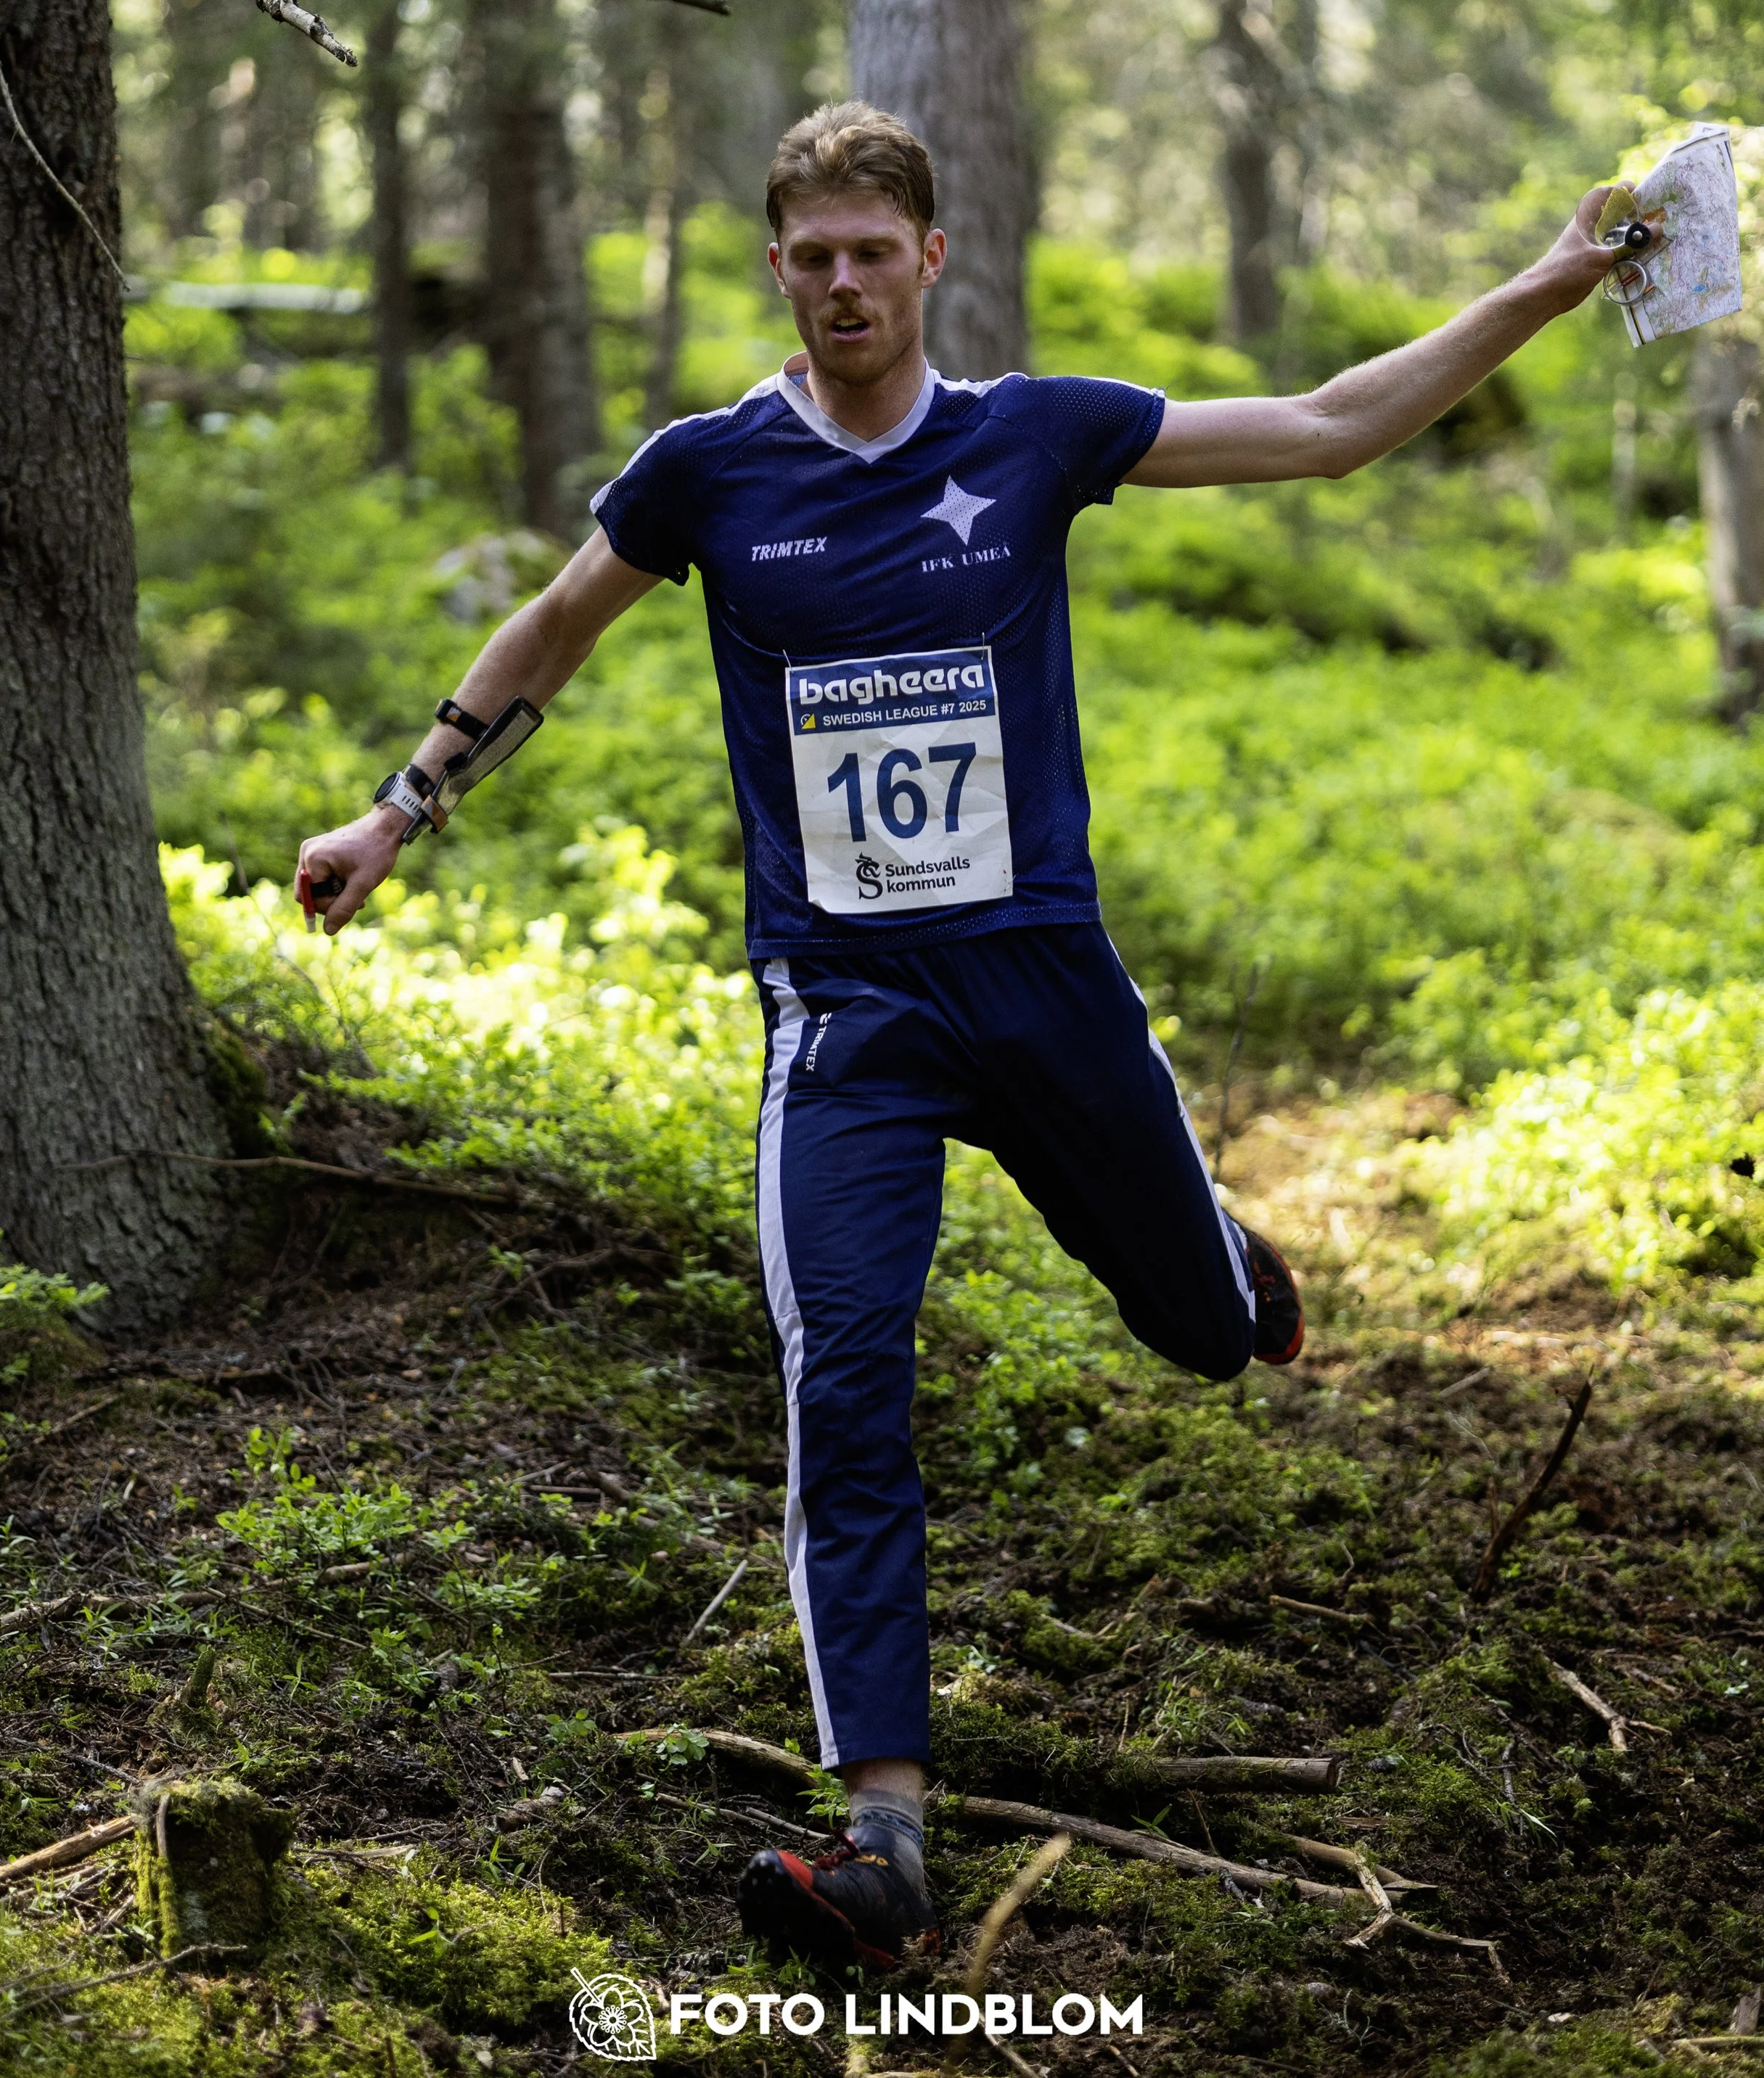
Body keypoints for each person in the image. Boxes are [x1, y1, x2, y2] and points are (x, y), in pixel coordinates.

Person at [294, 102, 1641, 1974]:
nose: (844, 283)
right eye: (812, 255)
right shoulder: (707, 474)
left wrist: (1562, 277)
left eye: (875, 251)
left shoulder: (1039, 436)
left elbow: (1336, 427)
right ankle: (882, 1843)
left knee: (1199, 1335)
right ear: (779, 268)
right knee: (841, 1377)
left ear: (932, 259)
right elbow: (549, 629)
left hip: (1047, 988)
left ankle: (1220, 1255)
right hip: (847, 1013)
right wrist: (397, 813)